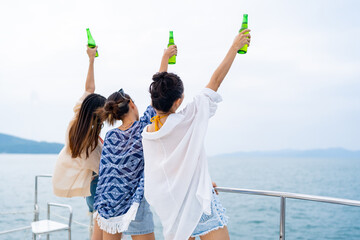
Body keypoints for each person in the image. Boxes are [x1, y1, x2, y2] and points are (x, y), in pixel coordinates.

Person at [141, 29, 251, 240]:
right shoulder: (187, 118)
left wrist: (164, 58)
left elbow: (164, 171)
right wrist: (235, 47)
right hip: (197, 202)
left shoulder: (148, 132)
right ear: (178, 102)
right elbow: (216, 80)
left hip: (172, 207)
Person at [92, 46, 178, 240]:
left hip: (109, 204)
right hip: (134, 203)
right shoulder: (142, 128)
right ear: (131, 104)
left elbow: (106, 174)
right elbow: (158, 94)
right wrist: (165, 57)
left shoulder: (111, 136)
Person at [52, 46, 106, 239]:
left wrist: (91, 59)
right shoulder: (89, 142)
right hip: (97, 186)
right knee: (101, 230)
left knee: (97, 228)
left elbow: (89, 89)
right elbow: (103, 166)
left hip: (89, 189)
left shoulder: (75, 125)